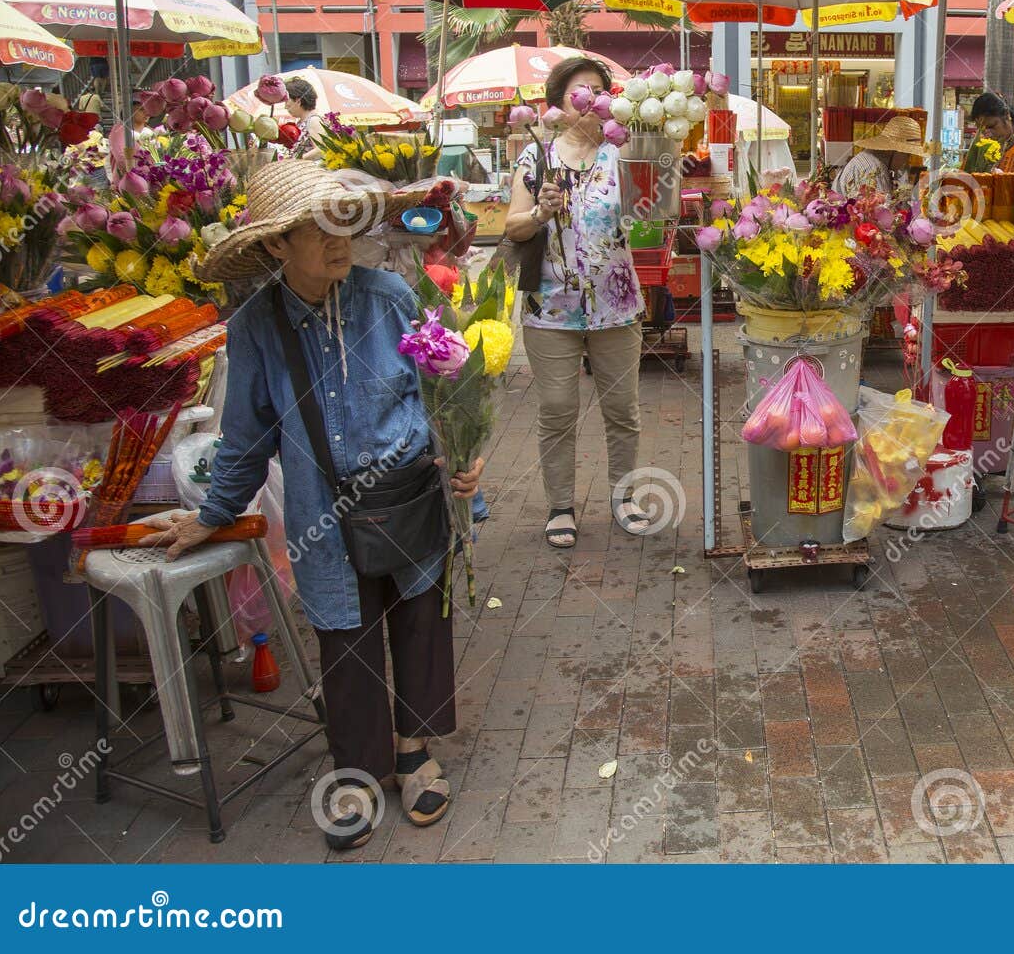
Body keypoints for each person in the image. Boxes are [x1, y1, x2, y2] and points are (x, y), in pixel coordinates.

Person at [140, 159, 484, 851]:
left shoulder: (389, 294)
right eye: (316, 228)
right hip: (325, 513)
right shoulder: (257, 325)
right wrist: (210, 515)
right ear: (275, 244)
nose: (338, 242)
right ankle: (358, 766)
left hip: (412, 493)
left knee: (420, 616)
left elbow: (446, 386)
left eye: (344, 225)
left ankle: (415, 750)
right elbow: (244, 437)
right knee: (345, 631)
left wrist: (466, 460)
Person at [504, 56, 650, 549]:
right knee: (558, 407)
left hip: (617, 303)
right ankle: (561, 505)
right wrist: (541, 212)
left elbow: (651, 216)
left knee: (622, 410)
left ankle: (624, 496)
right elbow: (512, 226)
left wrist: (667, 170)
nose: (588, 100)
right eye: (577, 92)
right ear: (559, 104)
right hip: (551, 307)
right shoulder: (535, 158)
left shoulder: (623, 154)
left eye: (597, 91)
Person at [832, 114, 924, 197]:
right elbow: (883, 211)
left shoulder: (871, 159)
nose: (907, 161)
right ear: (895, 150)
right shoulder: (873, 168)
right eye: (907, 155)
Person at [967, 91, 1014, 171]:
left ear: (1007, 116)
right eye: (982, 130)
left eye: (991, 126)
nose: (987, 135)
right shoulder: (983, 147)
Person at [283, 76, 326, 145]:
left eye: (286, 101)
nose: (285, 106)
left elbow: (320, 149)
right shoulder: (301, 122)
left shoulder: (313, 120)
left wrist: (299, 156)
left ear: (298, 101)